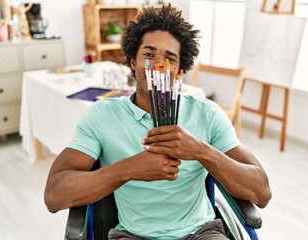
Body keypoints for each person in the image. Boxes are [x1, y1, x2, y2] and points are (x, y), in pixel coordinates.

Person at [44, 4, 271, 239]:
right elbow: (53, 196)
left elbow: (262, 192)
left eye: (170, 58)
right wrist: (128, 169)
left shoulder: (206, 114)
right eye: (149, 54)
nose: (158, 66)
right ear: (133, 61)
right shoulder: (102, 115)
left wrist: (201, 151)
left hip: (201, 233)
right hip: (132, 235)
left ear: (180, 71)